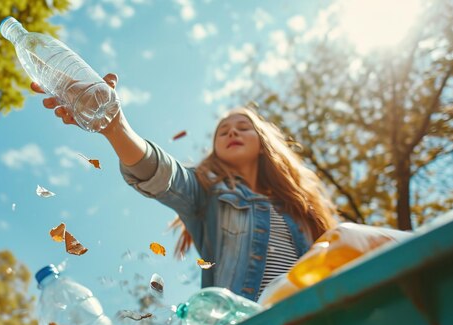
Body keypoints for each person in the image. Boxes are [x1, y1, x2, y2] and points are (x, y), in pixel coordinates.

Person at [30, 73, 338, 301]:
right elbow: (163, 175)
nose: (232, 131)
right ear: (215, 151)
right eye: (223, 131)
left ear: (263, 144)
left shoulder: (300, 205)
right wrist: (115, 127)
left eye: (244, 127)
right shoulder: (208, 194)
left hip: (326, 315)